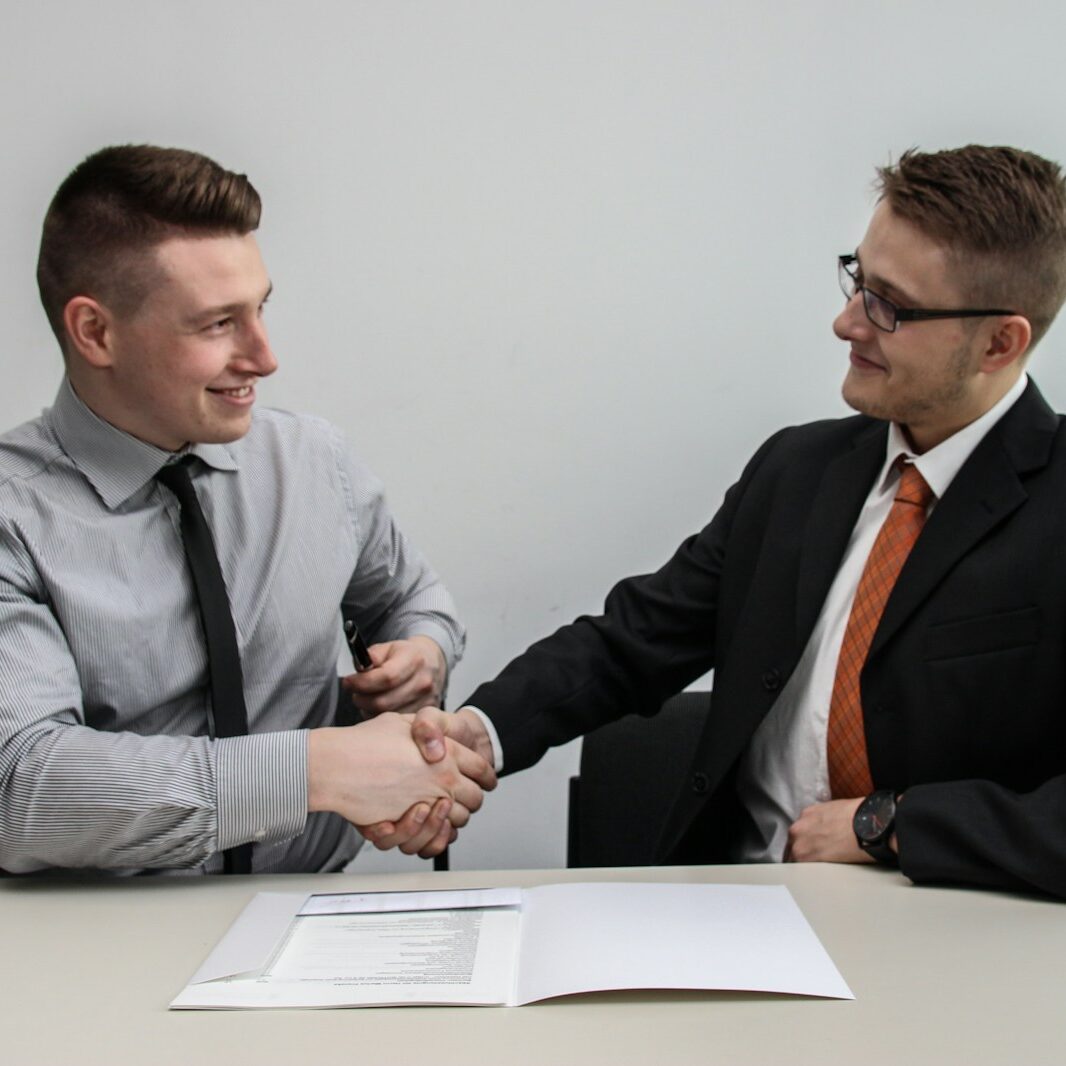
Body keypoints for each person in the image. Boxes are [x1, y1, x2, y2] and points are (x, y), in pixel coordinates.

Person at [379, 144, 1066, 899]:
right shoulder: (799, 472)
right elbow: (633, 643)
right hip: (736, 913)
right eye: (857, 280)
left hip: (952, 941)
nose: (846, 322)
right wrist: (478, 732)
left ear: (1001, 341)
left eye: (889, 306)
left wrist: (891, 822)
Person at [0, 144, 494, 875]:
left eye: (260, 309)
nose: (264, 357)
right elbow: (22, 792)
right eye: (217, 324)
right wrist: (316, 770)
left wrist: (419, 655)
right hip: (95, 946)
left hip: (312, 918)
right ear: (95, 333)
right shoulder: (13, 519)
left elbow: (413, 600)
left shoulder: (314, 462)